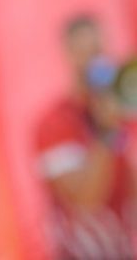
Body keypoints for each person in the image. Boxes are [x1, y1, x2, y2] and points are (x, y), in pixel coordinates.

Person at [35, 15, 137, 259]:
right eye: (84, 53)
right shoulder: (54, 125)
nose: (94, 61)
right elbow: (84, 200)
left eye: (97, 50)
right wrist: (106, 133)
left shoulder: (123, 115)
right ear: (69, 56)